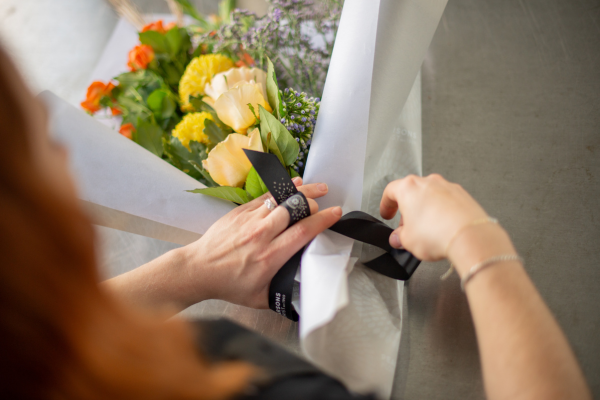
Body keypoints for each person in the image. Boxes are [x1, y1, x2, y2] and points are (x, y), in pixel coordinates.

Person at [0, 43, 591, 400]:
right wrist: (476, 241)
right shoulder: (245, 381)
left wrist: (186, 272)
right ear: (38, 227)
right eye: (47, 148)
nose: (64, 155)